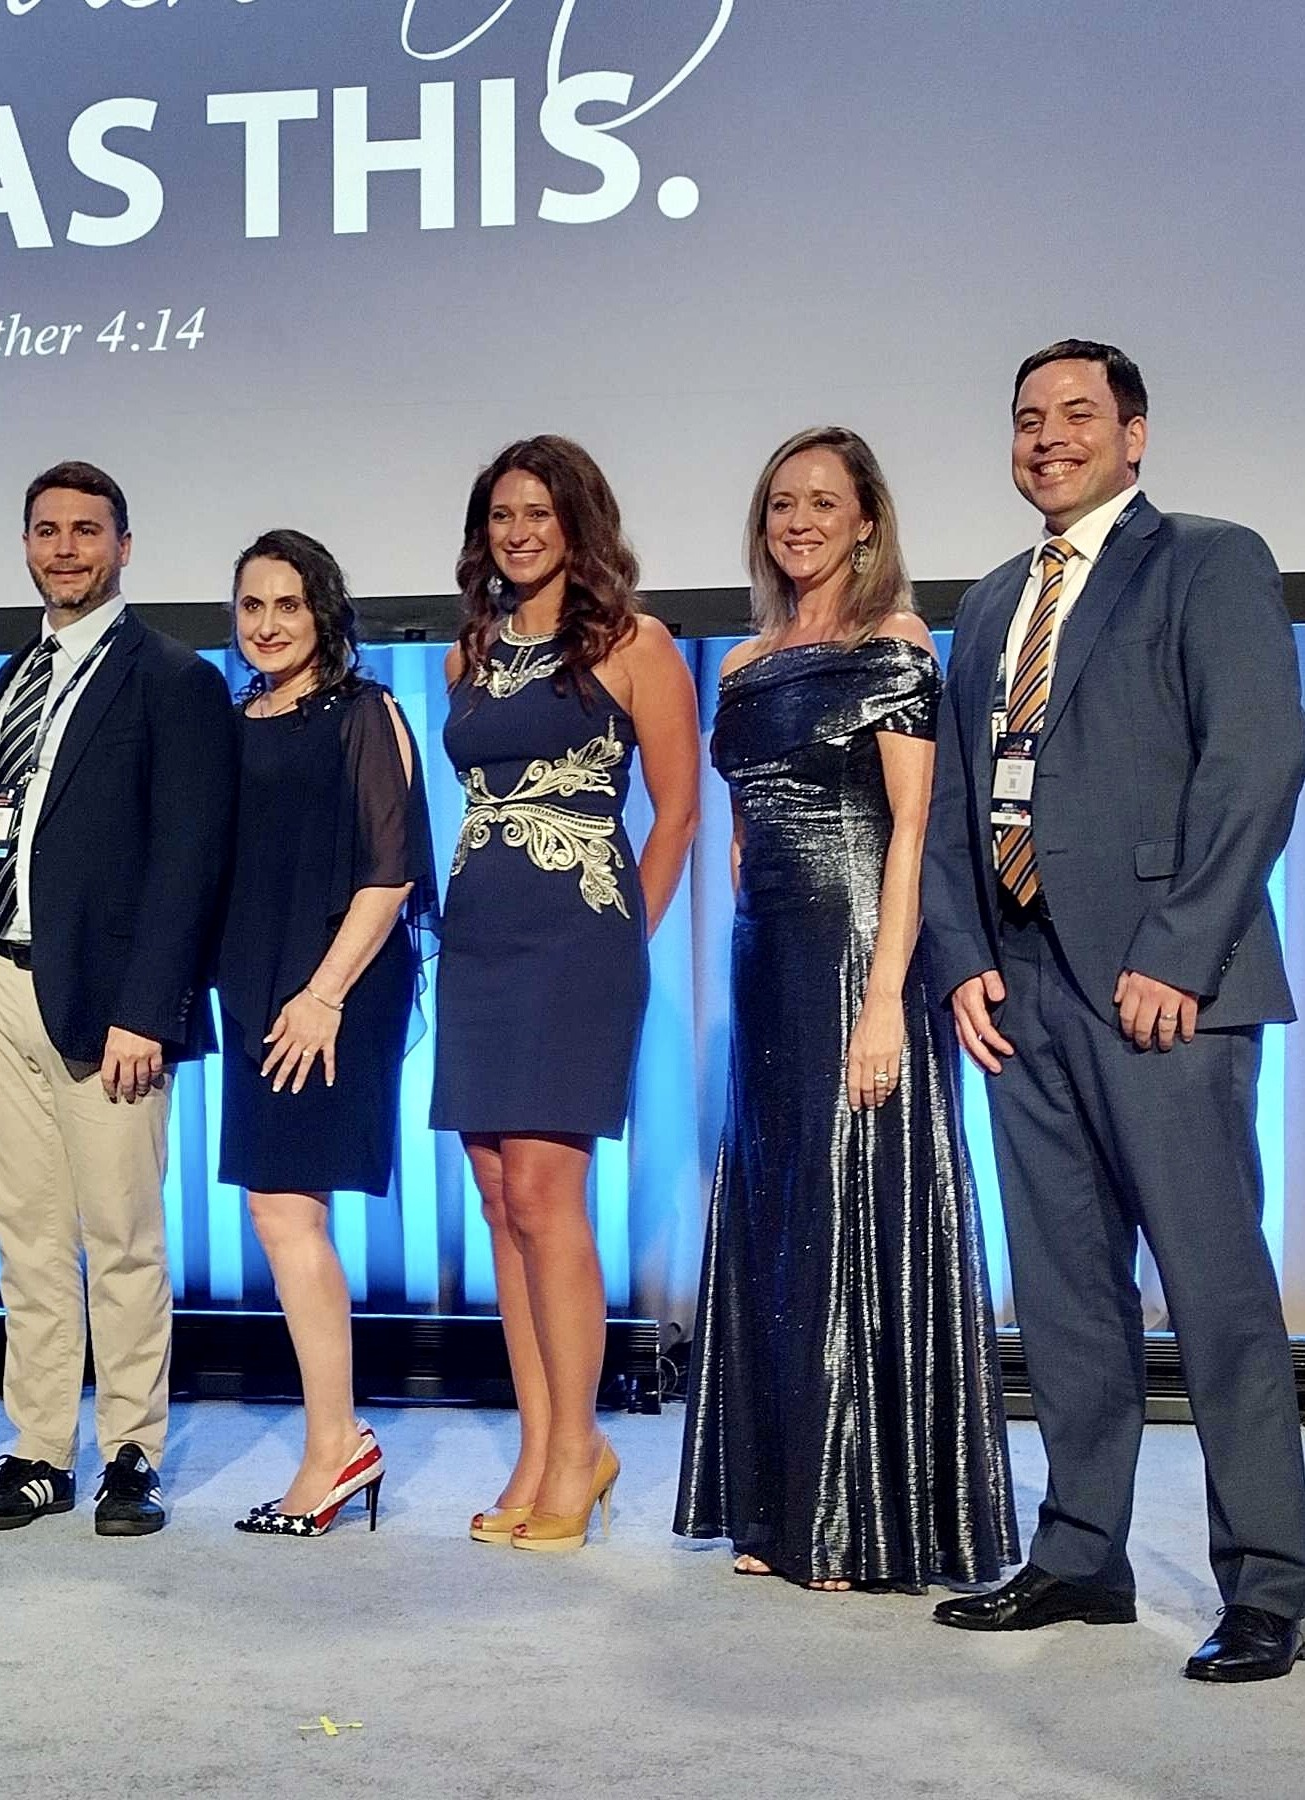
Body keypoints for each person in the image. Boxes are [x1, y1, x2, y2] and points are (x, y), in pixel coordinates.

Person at [921, 341, 1305, 1680]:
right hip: (1019, 987)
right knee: (1064, 1295)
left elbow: (1255, 763)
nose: (1048, 437)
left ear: (1133, 436)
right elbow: (956, 800)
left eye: (1077, 414)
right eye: (1027, 418)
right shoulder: (989, 601)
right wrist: (960, 956)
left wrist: (1179, 954)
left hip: (1162, 987)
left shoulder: (1209, 559)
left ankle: (1269, 1584)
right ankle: (1079, 1555)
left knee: (1214, 1293)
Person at [673, 427, 1017, 1591]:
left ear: (866, 519)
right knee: (778, 1212)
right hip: (767, 964)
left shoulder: (898, 644)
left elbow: (913, 829)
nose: (800, 521)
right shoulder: (740, 665)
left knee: (848, 1205)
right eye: (783, 503)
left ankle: (852, 1520)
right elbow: (742, 831)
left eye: (824, 502)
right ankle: (778, 1508)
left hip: (862, 953)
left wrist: (883, 1005)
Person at [0, 461, 236, 1536]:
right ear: (26, 545)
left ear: (124, 545)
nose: (64, 548)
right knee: (24, 1233)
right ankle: (38, 1451)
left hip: (110, 1001)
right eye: (46, 530)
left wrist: (151, 1007)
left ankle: (130, 1452)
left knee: (120, 1234)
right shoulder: (15, 676)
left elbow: (189, 859)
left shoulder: (172, 678)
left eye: (85, 530)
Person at [430, 435, 700, 1552]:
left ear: (579, 524)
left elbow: (678, 813)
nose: (518, 532)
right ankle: (542, 1450)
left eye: (538, 512)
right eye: (501, 515)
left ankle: (580, 1446)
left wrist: (624, 937)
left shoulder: (636, 645)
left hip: (577, 944)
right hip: (478, 942)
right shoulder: (469, 655)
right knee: (499, 1197)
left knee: (548, 1194)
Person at [217, 529, 436, 1539]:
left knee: (285, 1211)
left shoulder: (365, 712)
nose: (268, 624)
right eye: (252, 606)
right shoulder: (234, 720)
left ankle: (335, 1445)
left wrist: (324, 995)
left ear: (324, 613)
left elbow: (391, 873)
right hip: (257, 988)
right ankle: (339, 1438)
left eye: (288, 605)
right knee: (281, 1212)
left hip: (333, 989)